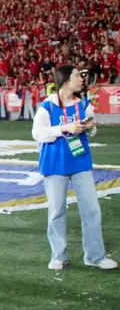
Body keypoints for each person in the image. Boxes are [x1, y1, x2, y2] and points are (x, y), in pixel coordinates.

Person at [31, 65, 117, 271]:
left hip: (80, 162)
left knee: (91, 209)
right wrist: (63, 128)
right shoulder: (48, 106)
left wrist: (90, 127)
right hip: (54, 164)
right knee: (56, 211)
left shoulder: (84, 104)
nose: (82, 79)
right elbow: (37, 133)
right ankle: (58, 256)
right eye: (78, 76)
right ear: (65, 80)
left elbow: (91, 130)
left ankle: (95, 256)